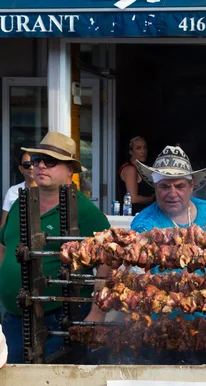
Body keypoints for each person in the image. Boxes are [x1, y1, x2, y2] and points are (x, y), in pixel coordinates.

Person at [0, 132, 111, 363]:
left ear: (70, 169)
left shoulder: (85, 211)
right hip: (12, 319)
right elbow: (3, 247)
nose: (40, 165)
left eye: (50, 161)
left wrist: (97, 313)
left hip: (59, 321)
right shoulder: (20, 203)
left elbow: (109, 262)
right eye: (37, 159)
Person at [130, 146, 206, 325]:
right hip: (162, 326)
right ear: (155, 187)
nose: (172, 193)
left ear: (192, 186)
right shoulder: (144, 224)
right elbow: (141, 282)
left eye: (180, 186)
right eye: (164, 186)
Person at [119, 136, 155, 215]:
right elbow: (132, 198)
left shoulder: (143, 169)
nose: (143, 151)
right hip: (133, 215)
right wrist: (152, 199)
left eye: (145, 148)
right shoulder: (130, 169)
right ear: (130, 151)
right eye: (138, 148)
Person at [1, 151, 37, 227]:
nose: (31, 167)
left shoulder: (48, 190)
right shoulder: (12, 191)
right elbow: (3, 225)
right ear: (21, 169)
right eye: (26, 165)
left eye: (34, 163)